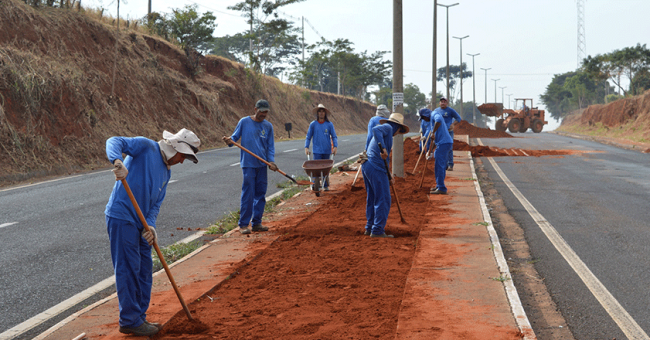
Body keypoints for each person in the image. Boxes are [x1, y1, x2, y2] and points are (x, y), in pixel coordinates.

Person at [105, 128, 201, 336]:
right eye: (183, 156)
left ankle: (139, 316)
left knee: (145, 268)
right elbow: (114, 140)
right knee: (129, 268)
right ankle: (129, 320)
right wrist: (117, 162)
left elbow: (156, 204)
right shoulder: (146, 146)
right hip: (122, 216)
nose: (182, 161)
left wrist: (151, 227)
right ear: (175, 147)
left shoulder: (167, 172)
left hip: (141, 223)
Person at [223, 99, 277, 235]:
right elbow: (234, 139)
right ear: (255, 109)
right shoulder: (244, 122)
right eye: (261, 112)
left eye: (265, 112)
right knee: (248, 194)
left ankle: (257, 223)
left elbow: (270, 146)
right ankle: (243, 224)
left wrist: (271, 161)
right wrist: (230, 141)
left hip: (262, 165)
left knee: (260, 193)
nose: (263, 115)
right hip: (248, 164)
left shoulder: (268, 126)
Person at [363, 113, 409, 238]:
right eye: (400, 131)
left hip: (368, 165)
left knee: (372, 197)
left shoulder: (387, 133)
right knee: (383, 199)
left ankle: (370, 227)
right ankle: (377, 230)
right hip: (375, 166)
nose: (398, 134)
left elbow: (385, 160)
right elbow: (375, 129)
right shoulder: (388, 128)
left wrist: (389, 175)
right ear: (398, 127)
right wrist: (383, 148)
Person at [304, 104, 338, 190]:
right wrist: (306, 147)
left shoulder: (329, 124)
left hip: (327, 150)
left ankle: (325, 185)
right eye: (320, 111)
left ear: (325, 113)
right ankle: (315, 184)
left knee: (325, 169)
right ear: (317, 113)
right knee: (316, 170)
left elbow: (334, 136)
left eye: (323, 111)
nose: (321, 113)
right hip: (317, 151)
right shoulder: (313, 124)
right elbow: (308, 137)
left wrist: (335, 147)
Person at [432, 97, 461, 171]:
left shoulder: (450, 110)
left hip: (448, 132)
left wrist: (453, 124)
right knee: (439, 147)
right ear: (439, 103)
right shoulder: (436, 111)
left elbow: (458, 118)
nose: (443, 103)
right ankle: (443, 164)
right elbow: (432, 120)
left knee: (449, 147)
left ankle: (450, 164)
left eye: (444, 102)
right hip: (439, 132)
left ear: (447, 103)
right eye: (441, 102)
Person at [429, 110, 453, 195]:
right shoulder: (432, 123)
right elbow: (434, 139)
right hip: (443, 143)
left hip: (444, 143)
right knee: (440, 166)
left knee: (439, 166)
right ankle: (439, 185)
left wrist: (433, 132)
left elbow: (438, 120)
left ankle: (441, 188)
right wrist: (431, 151)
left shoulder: (434, 114)